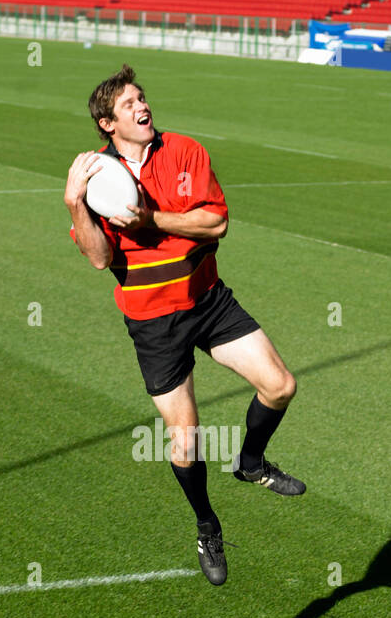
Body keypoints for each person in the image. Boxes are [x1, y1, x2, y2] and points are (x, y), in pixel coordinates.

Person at [64, 64, 304, 585]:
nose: (142, 107)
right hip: (153, 322)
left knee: (280, 386)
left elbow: (214, 222)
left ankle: (252, 462)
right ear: (107, 123)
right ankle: (207, 524)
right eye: (129, 104)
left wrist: (152, 220)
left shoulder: (185, 151)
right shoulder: (97, 179)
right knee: (187, 439)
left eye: (142, 98)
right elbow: (100, 259)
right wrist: (74, 205)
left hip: (207, 300)